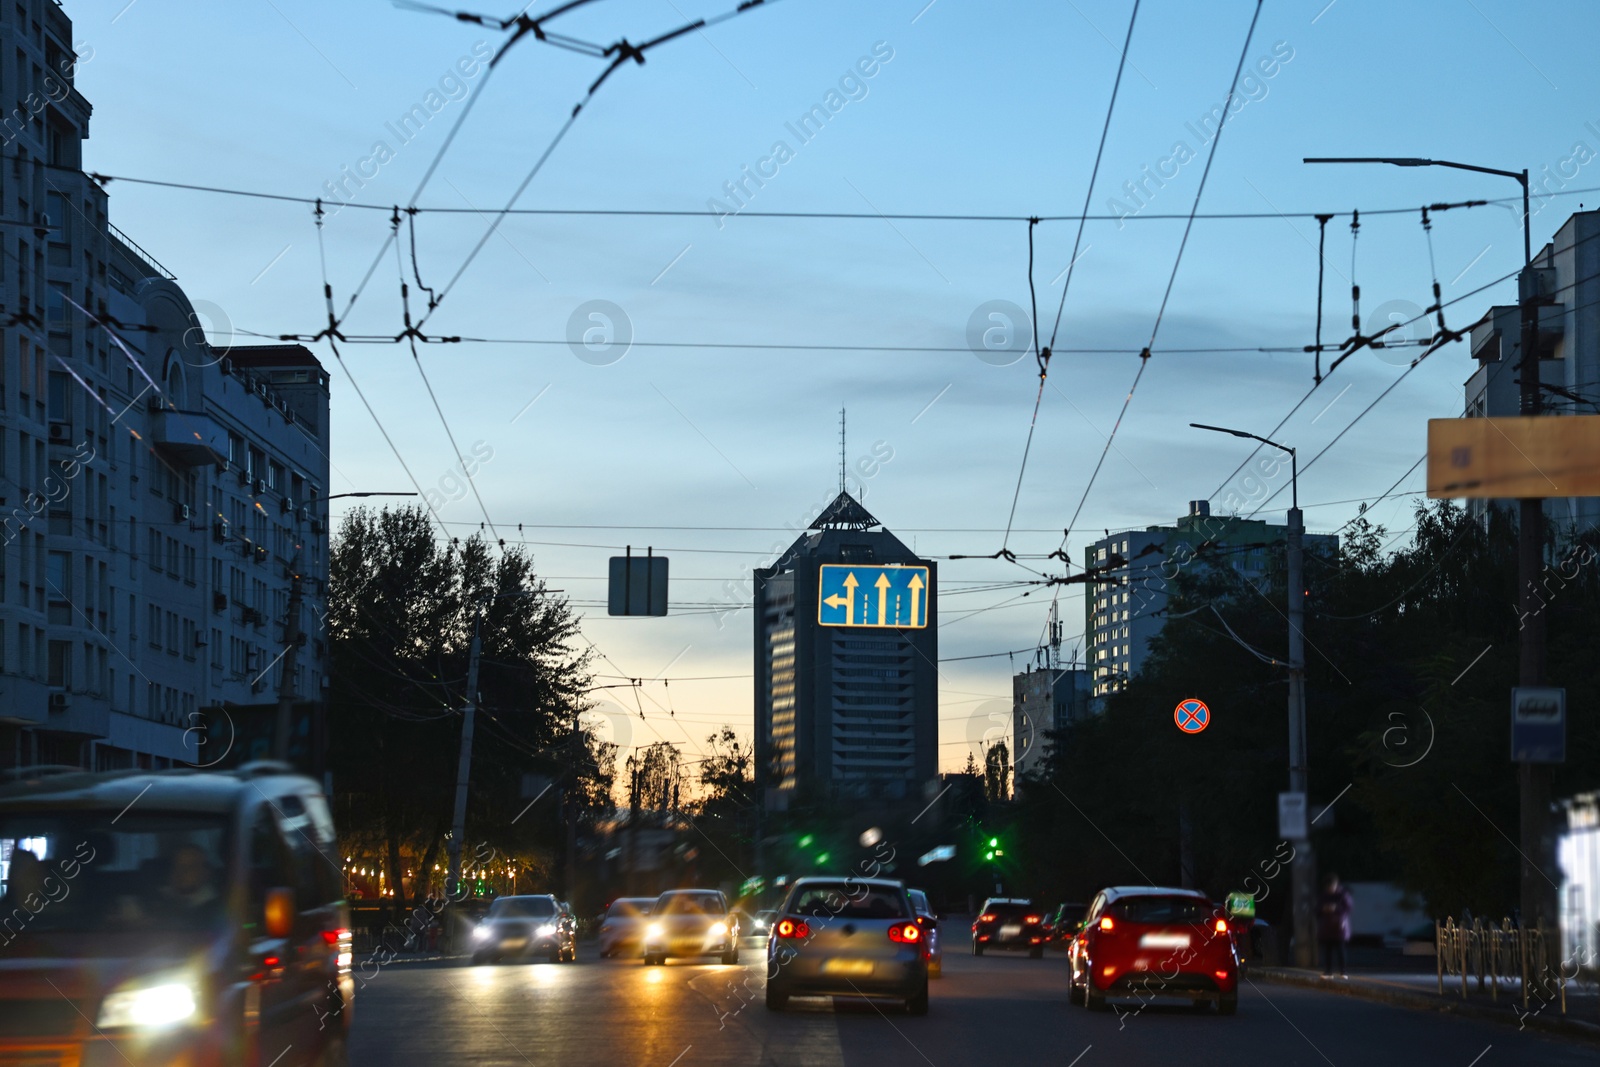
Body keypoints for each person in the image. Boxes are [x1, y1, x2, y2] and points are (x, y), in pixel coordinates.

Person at [1316, 872, 1354, 978]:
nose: (1330, 889)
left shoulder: (1343, 894)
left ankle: (1343, 971)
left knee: (1341, 950)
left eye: (1332, 886)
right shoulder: (1323, 896)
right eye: (1328, 887)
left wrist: (1336, 908)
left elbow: (1348, 908)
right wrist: (1323, 909)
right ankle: (1328, 972)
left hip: (1340, 926)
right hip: (1326, 927)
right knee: (1327, 950)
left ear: (1336, 884)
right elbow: (1317, 909)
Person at [161, 843, 219, 910]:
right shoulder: (159, 897)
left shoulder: (214, 905)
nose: (181, 872)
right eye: (177, 866)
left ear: (204, 873)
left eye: (190, 867)